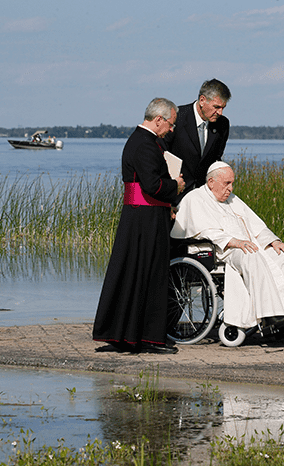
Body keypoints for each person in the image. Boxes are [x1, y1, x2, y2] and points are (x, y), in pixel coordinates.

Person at [170, 161, 284, 335]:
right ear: (211, 182)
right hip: (222, 252)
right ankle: (270, 316)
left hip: (248, 246)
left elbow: (256, 226)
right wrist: (234, 242)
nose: (231, 189)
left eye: (232, 183)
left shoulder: (232, 200)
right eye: (227, 183)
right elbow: (205, 232)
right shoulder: (194, 199)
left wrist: (274, 242)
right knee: (251, 255)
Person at [93, 97, 185, 354]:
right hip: (145, 219)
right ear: (159, 119)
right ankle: (147, 338)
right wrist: (175, 185)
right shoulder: (145, 145)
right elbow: (153, 186)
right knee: (150, 275)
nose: (171, 130)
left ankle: (124, 334)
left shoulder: (143, 141)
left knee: (131, 274)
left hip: (140, 216)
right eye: (170, 124)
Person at [162, 79, 231, 199]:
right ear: (202, 100)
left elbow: (216, 160)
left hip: (205, 197)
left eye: (223, 108)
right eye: (216, 107)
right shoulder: (176, 117)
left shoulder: (223, 124)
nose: (220, 112)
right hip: (175, 195)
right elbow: (161, 155)